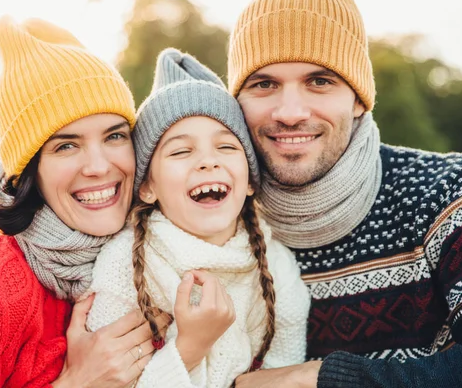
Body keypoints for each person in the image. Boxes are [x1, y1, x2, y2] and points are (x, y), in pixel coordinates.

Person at [227, 0, 462, 387]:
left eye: (319, 81)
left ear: (358, 99)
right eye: (264, 84)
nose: (290, 112)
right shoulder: (210, 224)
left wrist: (318, 379)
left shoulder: (457, 195)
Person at [0, 16, 169, 387]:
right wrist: (77, 383)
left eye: (115, 136)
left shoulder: (145, 255)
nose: (99, 166)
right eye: (66, 145)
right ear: (29, 170)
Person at [85, 48, 311, 387]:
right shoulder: (124, 264)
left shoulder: (275, 263)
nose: (208, 161)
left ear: (249, 180)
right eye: (181, 151)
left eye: (226, 147)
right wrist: (191, 346)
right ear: (147, 187)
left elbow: (284, 371)